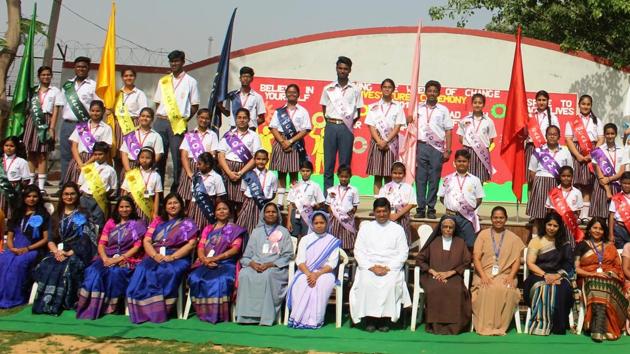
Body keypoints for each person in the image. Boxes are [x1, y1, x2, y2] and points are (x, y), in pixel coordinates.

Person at [126, 193, 198, 323]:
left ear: (181, 205)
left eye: (175, 203)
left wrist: (173, 257)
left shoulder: (187, 222)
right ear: (165, 207)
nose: (172, 206)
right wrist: (155, 255)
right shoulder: (157, 221)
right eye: (169, 203)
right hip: (155, 254)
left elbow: (191, 244)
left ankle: (160, 310)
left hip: (177, 257)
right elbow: (147, 241)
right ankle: (143, 310)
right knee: (142, 269)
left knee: (167, 271)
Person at [32, 182, 98, 315]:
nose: (69, 197)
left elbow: (86, 240)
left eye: (72, 194)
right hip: (58, 251)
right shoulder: (57, 215)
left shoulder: (83, 214)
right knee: (46, 265)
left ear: (77, 195)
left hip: (78, 252)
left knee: (66, 268)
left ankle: (62, 302)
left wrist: (69, 252)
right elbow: (50, 239)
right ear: (62, 196)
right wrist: (56, 251)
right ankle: (45, 302)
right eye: (66, 194)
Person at [76, 196, 146, 320]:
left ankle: (112, 306)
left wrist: (117, 260)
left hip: (128, 258)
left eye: (127, 207)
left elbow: (137, 247)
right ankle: (90, 305)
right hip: (106, 256)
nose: (124, 209)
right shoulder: (111, 222)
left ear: (132, 208)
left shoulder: (138, 224)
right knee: (94, 271)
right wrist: (104, 258)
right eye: (121, 207)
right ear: (117, 208)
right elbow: (102, 243)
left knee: (115, 272)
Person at [350, 198, 411, 332]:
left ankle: (385, 319)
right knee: (366, 282)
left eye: (385, 211)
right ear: (374, 212)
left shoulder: (398, 229)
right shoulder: (366, 228)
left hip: (390, 267)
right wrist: (372, 267)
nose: (382, 214)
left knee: (390, 283)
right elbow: (358, 250)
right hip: (369, 266)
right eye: (378, 211)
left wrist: (388, 267)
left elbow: (403, 252)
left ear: (390, 211)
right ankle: (370, 319)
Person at [188, 200, 247, 323]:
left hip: (226, 263)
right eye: (219, 209)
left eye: (224, 209)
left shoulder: (235, 229)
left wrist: (215, 258)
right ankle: (203, 313)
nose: (221, 211)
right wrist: (204, 259)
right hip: (205, 262)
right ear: (214, 213)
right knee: (195, 278)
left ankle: (218, 315)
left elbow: (235, 250)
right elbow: (200, 247)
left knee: (220, 280)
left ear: (230, 212)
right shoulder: (208, 228)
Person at [235, 202, 293, 325]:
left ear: (278, 214)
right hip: (256, 266)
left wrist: (270, 264)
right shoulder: (256, 232)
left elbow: (288, 255)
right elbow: (246, 256)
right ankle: (245, 316)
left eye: (273, 211)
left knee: (267, 275)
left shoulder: (284, 231)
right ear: (263, 214)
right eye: (268, 212)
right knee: (244, 274)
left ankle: (265, 317)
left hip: (275, 268)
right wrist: (252, 264)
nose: (270, 214)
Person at [471, 206, 524, 336]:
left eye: (501, 218)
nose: (498, 220)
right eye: (495, 218)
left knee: (507, 290)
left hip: (506, 274)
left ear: (505, 219)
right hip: (484, 273)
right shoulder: (483, 235)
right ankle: (485, 326)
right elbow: (476, 258)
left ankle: (500, 326)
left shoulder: (513, 238)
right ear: (491, 219)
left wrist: (511, 276)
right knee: (487, 288)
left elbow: (517, 260)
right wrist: (483, 276)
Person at [153, 50, 200, 193]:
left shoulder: (191, 81)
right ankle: (158, 191)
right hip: (161, 122)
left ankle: (176, 191)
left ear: (183, 62)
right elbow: (157, 103)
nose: (174, 64)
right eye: (172, 61)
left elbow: (195, 105)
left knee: (177, 159)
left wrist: (182, 121)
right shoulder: (164, 81)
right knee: (158, 157)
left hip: (178, 125)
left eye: (177, 61)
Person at [575, 217, 627, 342]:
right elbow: (576, 269)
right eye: (595, 228)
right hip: (587, 278)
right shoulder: (582, 245)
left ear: (604, 231)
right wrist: (593, 274)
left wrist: (609, 273)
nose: (597, 231)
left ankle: (600, 328)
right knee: (596, 282)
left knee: (604, 283)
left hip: (610, 279)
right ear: (589, 229)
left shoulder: (610, 247)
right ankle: (600, 328)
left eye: (601, 229)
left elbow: (618, 268)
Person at [417, 216, 472, 334]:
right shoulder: (433, 242)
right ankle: (435, 325)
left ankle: (454, 327)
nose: (448, 229)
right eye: (445, 227)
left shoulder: (460, 242)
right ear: (440, 228)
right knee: (435, 288)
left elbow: (467, 261)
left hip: (453, 276)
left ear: (454, 229)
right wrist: (432, 271)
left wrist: (450, 272)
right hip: (433, 276)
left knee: (456, 290)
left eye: (450, 227)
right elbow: (420, 259)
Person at [287, 211, 340, 329]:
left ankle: (315, 320)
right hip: (305, 271)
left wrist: (317, 274)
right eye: (316, 223)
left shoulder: (332, 241)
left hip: (325, 273)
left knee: (321, 284)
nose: (319, 225)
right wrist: (309, 274)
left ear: (327, 223)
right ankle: (299, 318)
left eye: (322, 222)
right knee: (301, 282)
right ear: (312, 224)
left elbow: (333, 263)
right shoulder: (305, 239)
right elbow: (300, 260)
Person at [524, 212, 574, 335]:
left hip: (559, 275)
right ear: (544, 225)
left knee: (563, 289)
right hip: (538, 274)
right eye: (549, 225)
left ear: (559, 227)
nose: (551, 228)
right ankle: (540, 324)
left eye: (555, 226)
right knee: (542, 287)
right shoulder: (536, 241)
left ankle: (558, 326)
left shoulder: (564, 243)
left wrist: (558, 275)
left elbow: (568, 264)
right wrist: (545, 275)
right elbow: (530, 263)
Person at [0, 185, 50, 308]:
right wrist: (11, 248)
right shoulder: (17, 214)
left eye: (34, 196)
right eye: (28, 196)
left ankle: (14, 298)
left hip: (33, 250)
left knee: (19, 263)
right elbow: (10, 237)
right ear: (23, 198)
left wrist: (27, 249)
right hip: (15, 248)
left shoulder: (43, 215)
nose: (31, 199)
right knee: (3, 259)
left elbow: (45, 239)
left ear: (39, 198)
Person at [320, 56, 364, 192]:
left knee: (345, 164)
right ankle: (328, 196)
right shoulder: (328, 88)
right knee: (329, 164)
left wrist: (347, 123)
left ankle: (344, 195)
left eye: (345, 69)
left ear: (350, 70)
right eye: (340, 68)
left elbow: (358, 111)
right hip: (331, 126)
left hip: (346, 128)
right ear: (336, 69)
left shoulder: (355, 89)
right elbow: (324, 109)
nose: (342, 71)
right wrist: (332, 122)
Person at [57, 57, 100, 190]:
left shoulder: (93, 86)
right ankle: (64, 186)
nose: (81, 69)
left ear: (88, 68)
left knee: (85, 156)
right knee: (65, 156)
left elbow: (98, 105)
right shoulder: (67, 86)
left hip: (84, 126)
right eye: (78, 67)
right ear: (74, 68)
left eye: (84, 67)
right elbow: (60, 105)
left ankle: (83, 186)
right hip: (67, 124)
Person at [412, 80, 453, 219]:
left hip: (437, 148)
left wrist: (448, 149)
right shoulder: (418, 108)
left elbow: (448, 131)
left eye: (435, 91)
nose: (432, 93)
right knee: (420, 179)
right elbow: (410, 124)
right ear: (425, 92)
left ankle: (431, 208)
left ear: (438, 93)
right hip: (421, 146)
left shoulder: (443, 110)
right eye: (429, 91)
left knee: (434, 179)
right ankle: (420, 208)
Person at [269, 84, 311, 209]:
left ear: (298, 95)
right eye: (289, 92)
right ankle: (280, 202)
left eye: (294, 92)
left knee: (294, 174)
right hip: (280, 142)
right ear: (286, 94)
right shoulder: (279, 111)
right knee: (281, 173)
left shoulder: (303, 111)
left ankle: (292, 202)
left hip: (296, 143)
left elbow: (306, 129)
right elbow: (273, 127)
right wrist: (282, 142)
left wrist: (291, 141)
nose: (292, 94)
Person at [526, 125, 573, 236]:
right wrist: (538, 185)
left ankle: (554, 242)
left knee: (556, 216)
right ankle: (535, 242)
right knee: (539, 216)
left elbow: (570, 169)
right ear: (546, 136)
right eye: (550, 134)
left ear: (559, 136)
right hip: (540, 183)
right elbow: (532, 172)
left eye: (555, 134)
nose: (552, 136)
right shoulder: (538, 151)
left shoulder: (565, 151)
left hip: (557, 184)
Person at [565, 94, 605, 222]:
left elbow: (601, 138)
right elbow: (568, 139)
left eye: (588, 104)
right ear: (579, 105)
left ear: (591, 105)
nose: (585, 106)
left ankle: (585, 216)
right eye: (583, 104)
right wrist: (578, 155)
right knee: (576, 183)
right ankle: (576, 214)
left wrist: (591, 154)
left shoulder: (597, 121)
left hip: (592, 152)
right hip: (576, 152)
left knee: (588, 184)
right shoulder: (572, 121)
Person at [24, 66, 63, 191]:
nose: (46, 77)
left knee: (42, 154)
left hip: (46, 121)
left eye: (48, 74)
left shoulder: (55, 91)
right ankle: (30, 183)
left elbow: (56, 110)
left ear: (51, 76)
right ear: (39, 76)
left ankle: (40, 186)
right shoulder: (33, 91)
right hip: (32, 120)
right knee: (30, 153)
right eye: (43, 75)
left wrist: (52, 127)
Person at [365, 78, 405, 194]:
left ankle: (388, 203)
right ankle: (378, 205)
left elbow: (397, 126)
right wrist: (379, 141)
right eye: (385, 87)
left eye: (389, 87)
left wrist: (386, 140)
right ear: (381, 89)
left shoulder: (398, 107)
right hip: (376, 142)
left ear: (393, 89)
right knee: (377, 175)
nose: (387, 89)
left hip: (391, 143)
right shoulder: (374, 106)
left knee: (389, 174)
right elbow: (371, 126)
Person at [437, 149, 485, 248]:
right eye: (459, 161)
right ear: (454, 162)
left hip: (467, 218)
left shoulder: (475, 180)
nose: (461, 163)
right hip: (450, 216)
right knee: (449, 243)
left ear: (469, 163)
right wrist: (451, 207)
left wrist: (468, 210)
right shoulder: (447, 179)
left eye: (464, 161)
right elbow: (441, 197)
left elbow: (479, 199)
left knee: (469, 244)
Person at [217, 108, 262, 212]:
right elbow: (220, 155)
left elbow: (256, 157)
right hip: (227, 170)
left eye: (244, 118)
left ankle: (239, 227)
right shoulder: (228, 135)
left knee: (242, 202)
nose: (242, 120)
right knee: (227, 203)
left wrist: (241, 173)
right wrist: (229, 172)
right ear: (236, 119)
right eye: (239, 117)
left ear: (249, 120)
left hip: (245, 171)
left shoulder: (254, 136)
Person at [177, 108, 219, 208]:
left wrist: (206, 167)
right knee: (188, 197)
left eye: (207, 118)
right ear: (197, 118)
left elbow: (213, 153)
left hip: (205, 168)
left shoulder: (212, 135)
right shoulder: (190, 134)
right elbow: (184, 154)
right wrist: (189, 172)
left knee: (203, 196)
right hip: (191, 166)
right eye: (201, 117)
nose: (204, 120)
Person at [64, 100, 113, 184]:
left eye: (98, 111)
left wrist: (87, 164)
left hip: (95, 160)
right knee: (75, 186)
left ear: (103, 111)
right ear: (89, 111)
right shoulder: (82, 126)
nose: (95, 113)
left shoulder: (106, 128)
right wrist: (80, 164)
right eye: (92, 111)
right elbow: (74, 146)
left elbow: (104, 149)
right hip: (78, 160)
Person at [114, 68, 149, 176]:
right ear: (122, 77)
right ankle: (118, 184)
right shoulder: (117, 93)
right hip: (118, 126)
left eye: (131, 76)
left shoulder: (139, 94)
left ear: (134, 77)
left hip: (132, 126)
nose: (128, 78)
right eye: (126, 76)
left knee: (131, 155)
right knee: (117, 156)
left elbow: (144, 112)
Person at [77, 141, 117, 230]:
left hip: (100, 200)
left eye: (100, 154)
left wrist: (103, 194)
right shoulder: (87, 168)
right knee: (83, 221)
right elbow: (80, 184)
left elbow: (113, 188)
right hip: (85, 198)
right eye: (95, 154)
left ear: (106, 154)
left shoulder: (110, 170)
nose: (97, 157)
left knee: (98, 223)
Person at [456, 93, 496, 183]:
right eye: (475, 102)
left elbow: (491, 139)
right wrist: (470, 145)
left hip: (482, 152)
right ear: (472, 104)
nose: (477, 105)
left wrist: (481, 148)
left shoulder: (489, 121)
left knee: (480, 178)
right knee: (466, 176)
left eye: (480, 103)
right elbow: (460, 137)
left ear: (484, 104)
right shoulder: (465, 120)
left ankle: (478, 197)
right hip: (467, 151)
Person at [236, 149, 278, 234]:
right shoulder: (248, 174)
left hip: (263, 205)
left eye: (263, 159)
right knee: (244, 227)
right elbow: (243, 191)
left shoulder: (272, 175)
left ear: (267, 160)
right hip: (249, 203)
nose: (261, 161)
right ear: (254, 159)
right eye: (258, 159)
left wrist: (264, 200)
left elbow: (273, 193)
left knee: (261, 229)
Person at [119, 107, 164, 183]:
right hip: (130, 166)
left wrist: (147, 167)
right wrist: (128, 170)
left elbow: (158, 154)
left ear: (152, 119)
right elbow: (124, 153)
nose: (145, 118)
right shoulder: (131, 134)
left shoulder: (156, 136)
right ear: (139, 117)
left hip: (147, 168)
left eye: (148, 116)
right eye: (143, 116)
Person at [591, 123, 626, 218]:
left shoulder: (622, 150)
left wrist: (609, 179)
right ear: (604, 134)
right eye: (608, 134)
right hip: (601, 186)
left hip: (617, 185)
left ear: (616, 134)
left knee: (616, 215)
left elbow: (622, 172)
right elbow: (599, 175)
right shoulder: (598, 151)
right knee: (599, 216)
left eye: (612, 133)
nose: (610, 136)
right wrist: (607, 191)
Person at [376, 162, 416, 245]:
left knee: (403, 239)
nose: (397, 175)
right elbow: (381, 203)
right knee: (389, 239)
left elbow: (412, 203)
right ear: (391, 173)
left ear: (404, 174)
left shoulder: (409, 187)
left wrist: (397, 215)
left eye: (400, 173)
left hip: (403, 217)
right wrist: (390, 214)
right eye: (395, 173)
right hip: (388, 216)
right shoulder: (385, 187)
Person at [544, 166, 584, 247]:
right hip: (556, 223)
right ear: (560, 177)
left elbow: (578, 210)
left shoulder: (577, 192)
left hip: (570, 223)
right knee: (555, 244)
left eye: (568, 176)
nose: (566, 178)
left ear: (572, 177)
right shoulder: (553, 192)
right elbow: (549, 210)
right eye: (563, 176)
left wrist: (572, 220)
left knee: (570, 245)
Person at [121, 147, 163, 222]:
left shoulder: (156, 175)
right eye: (142, 157)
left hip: (147, 205)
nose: (144, 160)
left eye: (148, 158)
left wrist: (155, 213)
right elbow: (125, 192)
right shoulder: (132, 174)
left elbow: (157, 195)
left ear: (153, 159)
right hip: (132, 205)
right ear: (138, 159)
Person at [186, 152, 226, 230]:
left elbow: (220, 197)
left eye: (200, 164)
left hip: (207, 207)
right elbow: (193, 193)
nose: (197, 166)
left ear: (207, 165)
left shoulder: (216, 177)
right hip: (194, 206)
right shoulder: (196, 176)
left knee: (204, 229)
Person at [287, 160, 325, 238]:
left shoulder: (315, 186)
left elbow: (321, 202)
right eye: (303, 171)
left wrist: (316, 206)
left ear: (312, 172)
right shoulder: (295, 185)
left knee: (306, 236)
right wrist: (288, 221)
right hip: (295, 214)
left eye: (307, 171)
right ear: (300, 172)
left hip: (308, 215)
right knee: (293, 236)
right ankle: (295, 250)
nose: (305, 173)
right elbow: (291, 204)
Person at [525, 90, 560, 173]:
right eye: (539, 100)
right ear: (536, 101)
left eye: (544, 100)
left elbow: (557, 133)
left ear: (548, 101)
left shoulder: (552, 117)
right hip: (531, 147)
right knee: (529, 176)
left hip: (546, 149)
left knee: (544, 174)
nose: (541, 102)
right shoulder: (530, 116)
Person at [326, 165, 359, 251]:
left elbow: (355, 206)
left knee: (347, 236)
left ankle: (347, 251)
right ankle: (334, 251)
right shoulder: (332, 190)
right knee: (334, 235)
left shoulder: (354, 190)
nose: (344, 179)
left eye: (346, 177)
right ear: (338, 176)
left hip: (347, 218)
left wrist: (349, 214)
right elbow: (328, 204)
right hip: (335, 218)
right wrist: (333, 214)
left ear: (350, 176)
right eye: (342, 176)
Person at [0, 136, 30, 219]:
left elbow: (26, 180)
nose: (8, 148)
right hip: (1, 190)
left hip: (13, 192)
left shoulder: (21, 162)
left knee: (11, 215)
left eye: (12, 146)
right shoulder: (0, 160)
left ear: (16, 147)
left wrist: (18, 187)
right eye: (6, 145)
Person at [608, 171, 630, 248]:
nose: (627, 186)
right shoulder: (616, 198)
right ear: (620, 183)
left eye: (629, 184)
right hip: (619, 229)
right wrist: (611, 234)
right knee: (620, 252)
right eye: (624, 183)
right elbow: (611, 216)